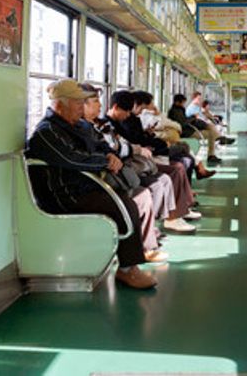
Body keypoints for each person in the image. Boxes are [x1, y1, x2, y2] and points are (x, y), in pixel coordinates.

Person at [25, 79, 156, 289]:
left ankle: (132, 255)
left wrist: (110, 155)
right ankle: (127, 270)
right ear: (59, 105)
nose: (81, 108)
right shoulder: (46, 132)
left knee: (136, 197)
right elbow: (72, 159)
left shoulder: (82, 126)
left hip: (88, 186)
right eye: (77, 103)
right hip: (67, 194)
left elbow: (101, 144)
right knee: (125, 206)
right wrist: (105, 161)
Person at [79, 86, 169, 261]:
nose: (100, 105)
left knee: (147, 189)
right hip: (96, 180)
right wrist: (109, 157)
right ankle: (136, 257)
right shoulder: (83, 128)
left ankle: (147, 242)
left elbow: (111, 146)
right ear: (80, 105)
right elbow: (108, 149)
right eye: (96, 101)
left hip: (113, 171)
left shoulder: (98, 125)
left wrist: (111, 153)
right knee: (142, 195)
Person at [103, 90, 199, 234]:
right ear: (116, 107)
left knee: (183, 161)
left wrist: (149, 137)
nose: (129, 114)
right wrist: (143, 147)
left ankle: (182, 207)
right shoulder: (111, 125)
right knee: (178, 167)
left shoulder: (123, 121)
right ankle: (173, 216)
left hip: (141, 158)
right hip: (135, 162)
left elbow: (134, 140)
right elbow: (129, 143)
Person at [169, 93, 222, 163]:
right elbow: (183, 123)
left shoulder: (179, 110)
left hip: (188, 129)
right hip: (186, 132)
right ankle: (212, 153)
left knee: (211, 129)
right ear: (177, 102)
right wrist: (193, 118)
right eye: (182, 103)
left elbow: (185, 120)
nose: (183, 104)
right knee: (211, 134)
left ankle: (218, 140)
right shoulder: (175, 111)